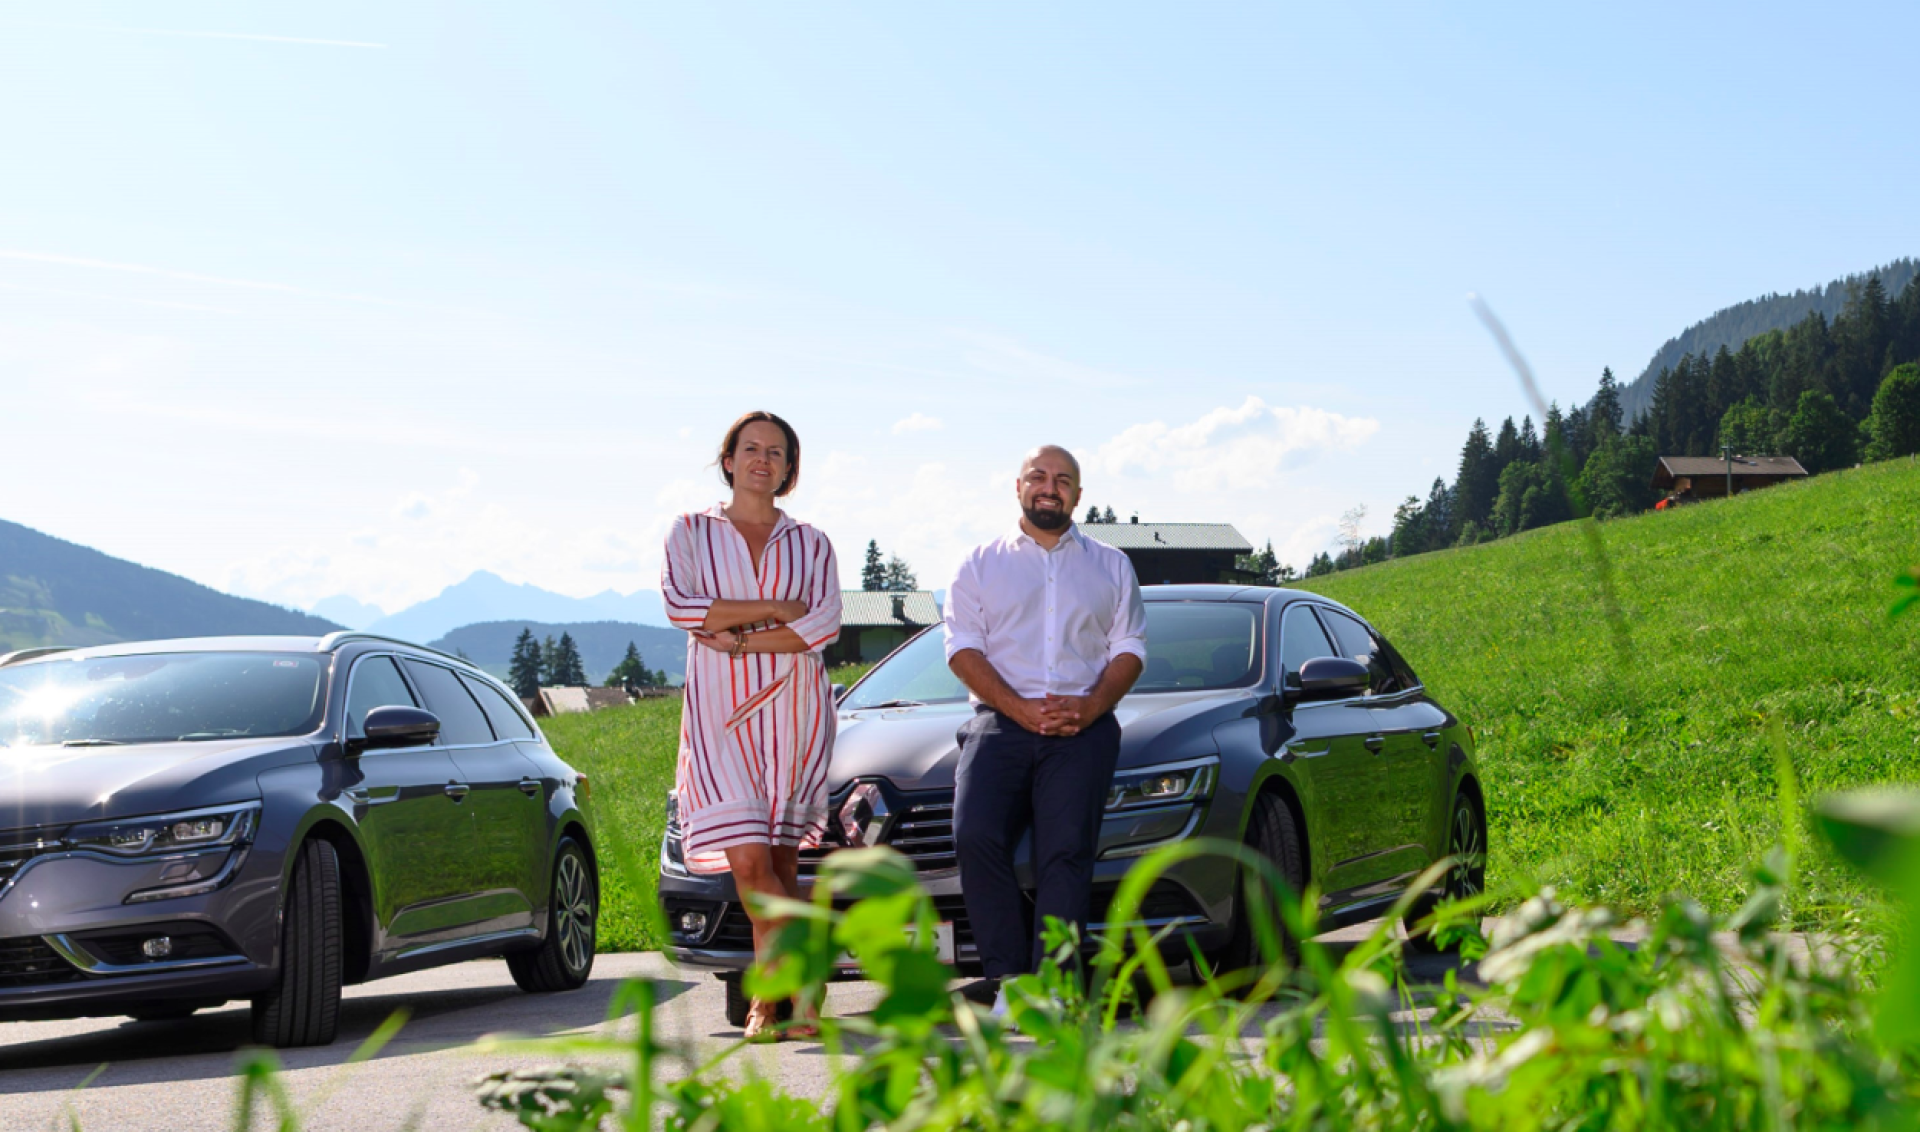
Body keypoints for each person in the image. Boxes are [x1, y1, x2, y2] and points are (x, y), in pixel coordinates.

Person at [942, 444, 1146, 1016]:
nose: (1049, 487)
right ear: (1018, 487)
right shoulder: (979, 562)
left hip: (1084, 728)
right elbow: (962, 647)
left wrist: (1089, 706)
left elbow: (1129, 647)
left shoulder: (1111, 565)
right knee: (974, 834)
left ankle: (1054, 989)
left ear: (1078, 495)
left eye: (1063, 480)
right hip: (999, 723)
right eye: (1038, 477)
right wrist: (1017, 708)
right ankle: (1010, 982)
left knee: (1065, 852)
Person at [661, 410, 842, 1040]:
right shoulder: (690, 532)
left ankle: (781, 1005)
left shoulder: (812, 543)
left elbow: (820, 628)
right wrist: (771, 609)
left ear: (790, 468)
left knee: (783, 861)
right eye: (751, 448)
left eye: (777, 452)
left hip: (795, 713)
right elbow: (683, 607)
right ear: (729, 459)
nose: (763, 459)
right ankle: (795, 989)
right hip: (719, 718)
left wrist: (736, 639)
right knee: (750, 865)